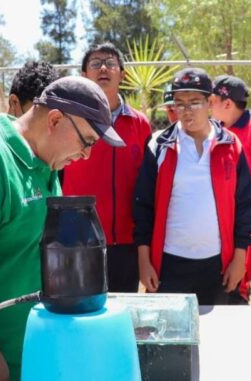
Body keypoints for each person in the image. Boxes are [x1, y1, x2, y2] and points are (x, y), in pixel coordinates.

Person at [0, 76, 124, 381]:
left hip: (30, 356)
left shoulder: (45, 162)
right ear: (56, 119)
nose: (87, 155)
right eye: (87, 142)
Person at [133, 67, 251, 305]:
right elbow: (143, 206)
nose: (186, 111)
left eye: (194, 103)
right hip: (169, 264)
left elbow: (246, 204)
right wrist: (144, 260)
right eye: (179, 104)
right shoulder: (159, 145)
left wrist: (239, 257)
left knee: (215, 335)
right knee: (171, 337)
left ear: (210, 102)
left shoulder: (231, 145)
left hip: (218, 264)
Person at [62, 42, 152, 292]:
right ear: (84, 75)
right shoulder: (69, 120)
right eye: (95, 63)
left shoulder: (140, 124)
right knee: (81, 310)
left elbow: (147, 185)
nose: (103, 68)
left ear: (122, 75)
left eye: (110, 63)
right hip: (79, 238)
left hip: (126, 242)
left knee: (121, 311)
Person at [211, 74, 251, 303]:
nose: (208, 106)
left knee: (239, 280)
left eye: (211, 101)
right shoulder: (217, 130)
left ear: (227, 103)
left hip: (247, 220)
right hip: (222, 219)